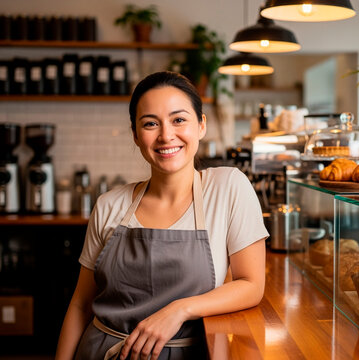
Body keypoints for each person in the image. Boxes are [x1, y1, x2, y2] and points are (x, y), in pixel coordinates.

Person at [55, 71, 268, 360]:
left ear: (201, 125)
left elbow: (251, 285)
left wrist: (179, 310)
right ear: (135, 134)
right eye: (150, 123)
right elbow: (81, 304)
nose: (166, 135)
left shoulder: (227, 187)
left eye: (179, 120)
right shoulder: (109, 205)